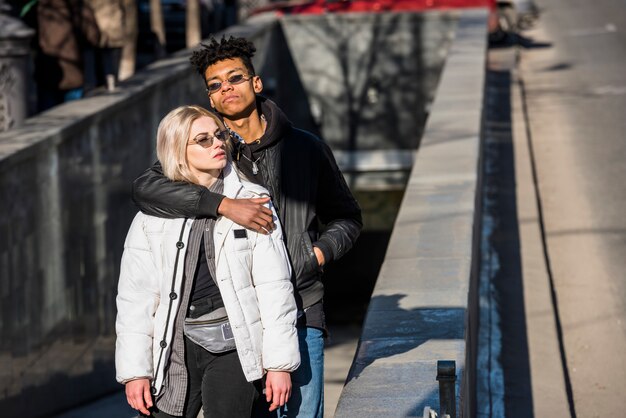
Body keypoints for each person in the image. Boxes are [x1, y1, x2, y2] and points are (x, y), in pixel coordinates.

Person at [132, 36, 362, 417]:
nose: (226, 88)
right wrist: (223, 205)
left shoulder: (305, 148)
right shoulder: (207, 150)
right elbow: (146, 189)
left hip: (301, 305)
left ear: (256, 83)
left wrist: (313, 255)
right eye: (216, 85)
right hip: (232, 317)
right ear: (210, 97)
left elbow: (347, 218)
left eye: (235, 78)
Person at [115, 105, 300, 418]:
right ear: (177, 149)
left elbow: (274, 287)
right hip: (173, 347)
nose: (217, 143)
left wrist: (279, 365)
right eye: (203, 140)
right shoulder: (151, 216)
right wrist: (135, 371)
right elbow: (137, 298)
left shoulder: (254, 201)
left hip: (233, 344)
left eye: (219, 135)